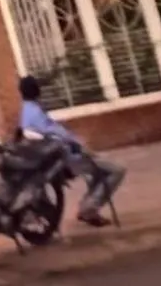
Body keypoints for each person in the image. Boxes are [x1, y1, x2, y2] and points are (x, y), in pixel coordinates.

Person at [15, 75, 125, 225]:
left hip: (60, 155)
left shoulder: (27, 111)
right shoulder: (35, 112)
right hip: (67, 157)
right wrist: (79, 144)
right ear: (37, 91)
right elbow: (55, 134)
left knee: (98, 169)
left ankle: (89, 205)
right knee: (117, 170)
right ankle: (89, 208)